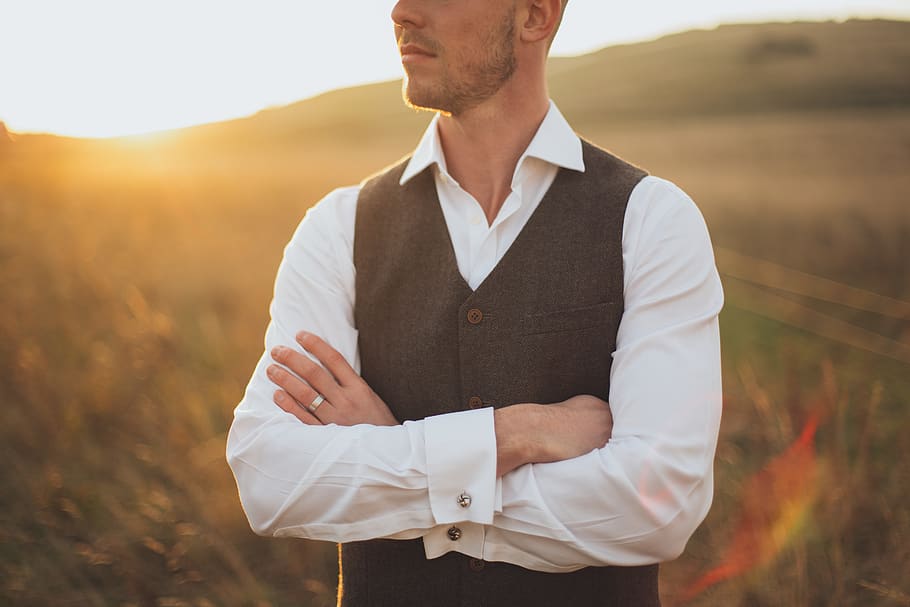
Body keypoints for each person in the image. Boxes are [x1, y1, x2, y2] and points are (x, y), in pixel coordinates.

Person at [226, 1, 724, 605]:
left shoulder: (651, 219)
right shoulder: (338, 227)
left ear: (535, 16)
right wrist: (513, 435)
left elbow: (657, 506)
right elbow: (270, 478)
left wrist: (393, 456)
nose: (401, 11)